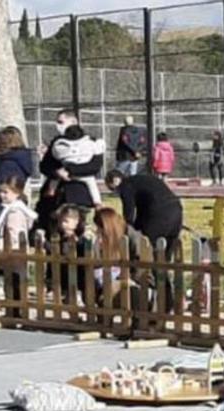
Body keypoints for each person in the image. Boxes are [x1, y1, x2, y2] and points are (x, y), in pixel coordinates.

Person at [105, 169, 183, 309]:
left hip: (158, 215)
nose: (116, 192)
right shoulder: (141, 180)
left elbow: (129, 213)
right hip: (176, 210)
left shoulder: (126, 185)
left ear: (115, 181)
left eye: (112, 189)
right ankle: (169, 301)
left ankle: (157, 302)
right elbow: (141, 213)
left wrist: (125, 231)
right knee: (163, 262)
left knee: (148, 256)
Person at [37, 110, 103, 217]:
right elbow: (45, 166)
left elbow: (95, 166)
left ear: (73, 121)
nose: (58, 125)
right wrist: (57, 172)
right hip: (59, 194)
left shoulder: (90, 142)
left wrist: (69, 170)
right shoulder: (58, 143)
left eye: (61, 122)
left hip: (80, 193)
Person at [0, 175, 37, 315]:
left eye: (6, 192)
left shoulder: (15, 211)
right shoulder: (10, 208)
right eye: (1, 192)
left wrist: (3, 246)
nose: (2, 195)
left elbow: (14, 231)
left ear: (16, 193)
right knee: (11, 279)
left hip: (14, 248)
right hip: (14, 248)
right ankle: (14, 309)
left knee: (13, 280)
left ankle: (15, 310)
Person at [47, 125, 104, 207]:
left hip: (66, 175)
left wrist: (67, 169)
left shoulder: (60, 145)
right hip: (85, 175)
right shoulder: (89, 144)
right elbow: (95, 165)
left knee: (55, 178)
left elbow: (54, 158)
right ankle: (97, 201)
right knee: (92, 184)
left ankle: (51, 190)